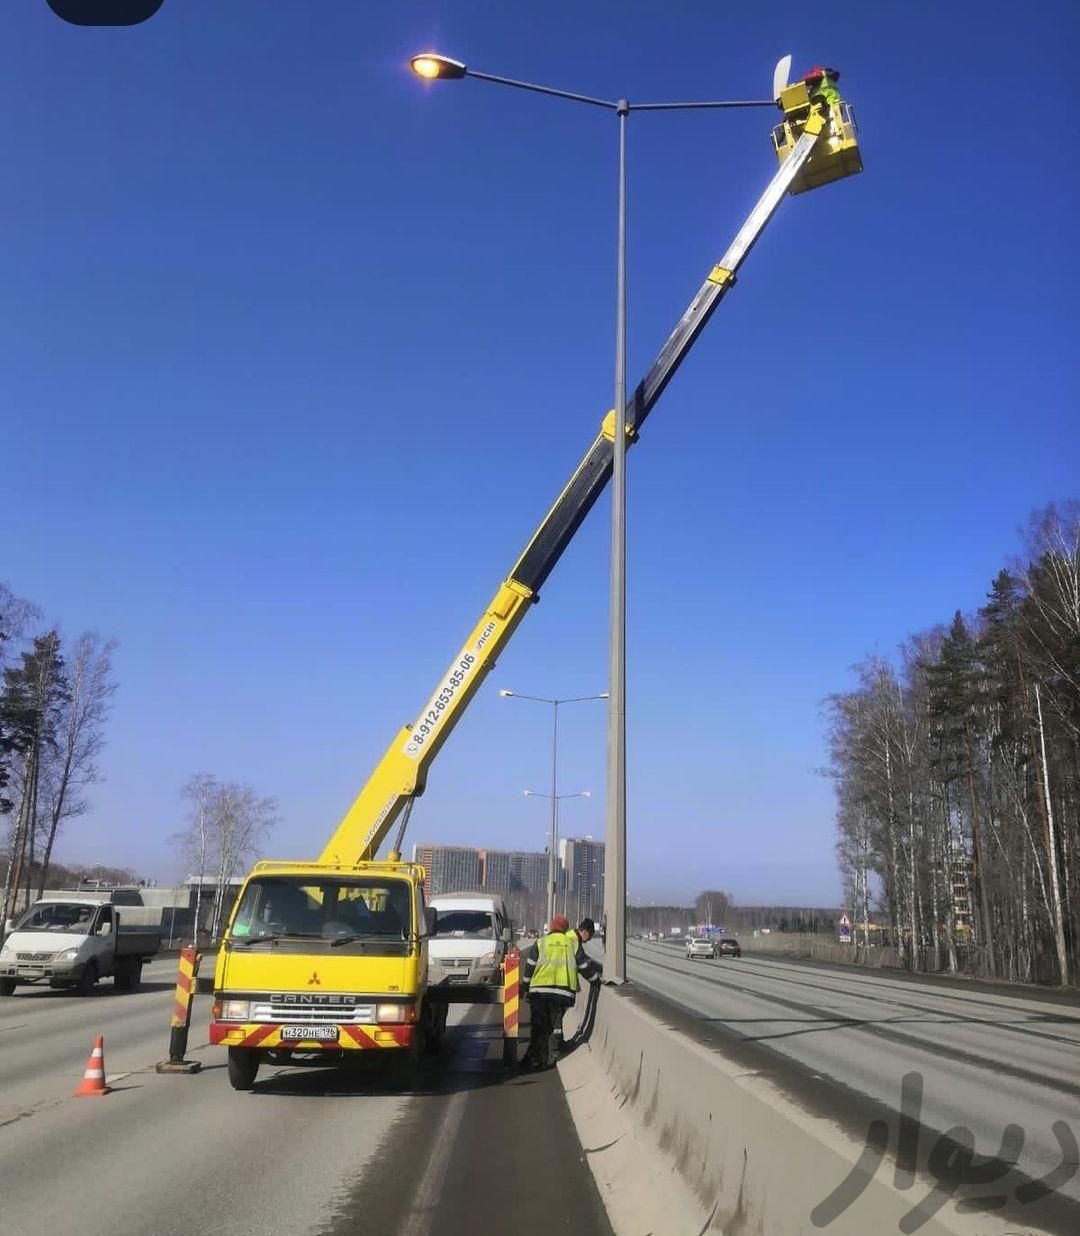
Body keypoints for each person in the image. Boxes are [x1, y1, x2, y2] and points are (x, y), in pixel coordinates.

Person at [520, 914, 601, 1070]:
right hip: (561, 993)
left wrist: (525, 986)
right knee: (554, 1024)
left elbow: (529, 965)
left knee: (539, 1026)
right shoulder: (571, 944)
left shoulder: (541, 942)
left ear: (551, 927)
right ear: (565, 928)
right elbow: (584, 966)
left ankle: (534, 1059)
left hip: (539, 992)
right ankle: (551, 1054)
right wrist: (595, 980)